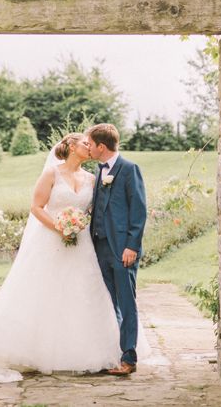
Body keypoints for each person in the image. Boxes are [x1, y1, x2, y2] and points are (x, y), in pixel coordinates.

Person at [0, 132, 125, 382]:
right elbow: (36, 207)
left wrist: (80, 225)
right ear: (70, 145)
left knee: (84, 291)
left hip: (82, 243)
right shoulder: (52, 173)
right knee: (45, 292)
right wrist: (60, 227)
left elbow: (94, 210)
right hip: (51, 240)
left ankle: (85, 350)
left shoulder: (92, 178)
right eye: (85, 143)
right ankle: (38, 350)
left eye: (90, 145)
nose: (89, 147)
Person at [86, 123, 147, 376]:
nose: (87, 148)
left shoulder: (130, 169)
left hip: (122, 250)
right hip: (99, 247)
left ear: (102, 146)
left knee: (126, 302)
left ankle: (129, 358)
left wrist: (132, 246)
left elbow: (139, 210)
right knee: (108, 303)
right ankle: (112, 352)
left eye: (90, 144)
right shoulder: (99, 172)